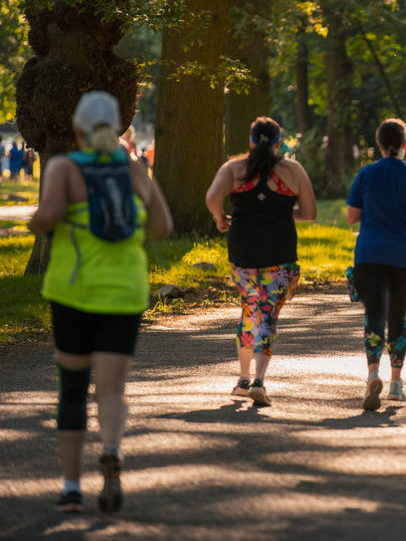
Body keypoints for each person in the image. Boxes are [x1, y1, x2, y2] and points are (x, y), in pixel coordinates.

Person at [27, 90, 173, 514]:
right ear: (116, 127)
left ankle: (71, 488)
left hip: (72, 292)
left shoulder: (65, 168)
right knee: (111, 389)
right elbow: (163, 225)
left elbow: (47, 217)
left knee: (72, 390)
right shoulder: (133, 169)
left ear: (77, 126)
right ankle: (111, 449)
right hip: (125, 291)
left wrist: (39, 222)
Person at [205, 117, 316, 407]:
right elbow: (310, 212)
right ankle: (259, 382)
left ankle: (242, 380)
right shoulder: (292, 170)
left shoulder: (234, 168)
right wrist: (280, 215)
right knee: (268, 315)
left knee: (248, 309)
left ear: (251, 142)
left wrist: (221, 218)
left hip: (242, 250)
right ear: (279, 142)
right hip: (280, 252)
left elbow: (211, 197)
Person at [347, 118, 406, 410]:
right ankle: (397, 385)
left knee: (374, 315)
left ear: (378, 144)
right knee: (398, 315)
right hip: (405, 255)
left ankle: (373, 374)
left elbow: (351, 216)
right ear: (405, 143)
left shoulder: (366, 174)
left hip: (370, 253)